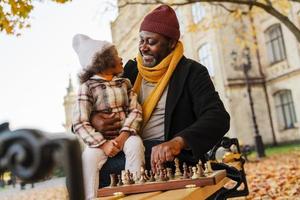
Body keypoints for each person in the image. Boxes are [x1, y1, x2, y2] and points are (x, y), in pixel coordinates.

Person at [92, 4, 230, 185]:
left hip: (169, 159)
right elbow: (88, 99)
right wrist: (95, 119)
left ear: (171, 43)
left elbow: (218, 117)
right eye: (141, 41)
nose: (143, 47)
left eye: (151, 42)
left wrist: (179, 142)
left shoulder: (192, 72)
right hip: (127, 150)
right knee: (78, 174)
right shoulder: (129, 71)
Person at [72, 34, 145, 199]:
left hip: (125, 135)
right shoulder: (87, 88)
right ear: (102, 62)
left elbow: (135, 110)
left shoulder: (125, 83)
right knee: (88, 159)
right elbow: (79, 122)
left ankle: (136, 191)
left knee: (136, 145)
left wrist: (124, 135)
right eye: (115, 55)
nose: (120, 59)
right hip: (99, 142)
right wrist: (103, 144)